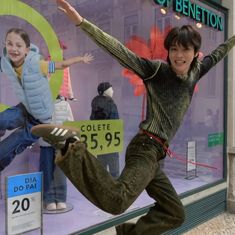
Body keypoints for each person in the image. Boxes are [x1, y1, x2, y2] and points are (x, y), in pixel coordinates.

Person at [31, 0, 235, 234]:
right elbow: (120, 51)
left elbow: (219, 53)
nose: (178, 56)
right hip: (145, 148)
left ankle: (128, 232)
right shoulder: (158, 70)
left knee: (175, 213)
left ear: (195, 53)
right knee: (117, 200)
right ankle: (70, 145)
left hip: (156, 154)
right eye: (174, 49)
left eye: (184, 50)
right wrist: (81, 23)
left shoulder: (196, 70)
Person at [0, 27, 94, 171]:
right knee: (3, 119)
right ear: (5, 45)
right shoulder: (6, 63)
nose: (14, 49)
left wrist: (81, 59)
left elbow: (61, 66)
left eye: (18, 45)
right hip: (25, 108)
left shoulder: (38, 64)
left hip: (39, 118)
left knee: (7, 147)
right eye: (9, 44)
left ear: (27, 49)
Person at [39, 95, 74, 211]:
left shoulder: (65, 104)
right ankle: (48, 199)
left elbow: (70, 124)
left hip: (61, 143)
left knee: (60, 172)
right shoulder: (41, 103)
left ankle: (61, 198)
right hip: (45, 142)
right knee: (47, 170)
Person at [90, 82, 120, 178]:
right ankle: (113, 192)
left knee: (101, 173)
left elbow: (92, 121)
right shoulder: (111, 104)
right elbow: (115, 124)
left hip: (100, 143)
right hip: (111, 143)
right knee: (114, 173)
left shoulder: (94, 105)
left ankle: (101, 191)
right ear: (106, 91)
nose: (113, 91)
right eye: (111, 89)